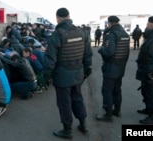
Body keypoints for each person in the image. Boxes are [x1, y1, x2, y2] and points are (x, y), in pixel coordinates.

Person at [43, 8, 92, 139]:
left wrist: (46, 77)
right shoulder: (81, 32)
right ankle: (83, 124)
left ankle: (67, 130)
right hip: (77, 73)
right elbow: (88, 55)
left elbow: (50, 60)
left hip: (62, 76)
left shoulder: (57, 35)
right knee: (77, 99)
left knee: (64, 103)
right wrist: (86, 71)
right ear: (69, 16)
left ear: (57, 18)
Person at [97, 16, 130, 122]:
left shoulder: (111, 35)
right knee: (117, 89)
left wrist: (101, 50)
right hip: (121, 65)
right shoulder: (125, 34)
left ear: (110, 23)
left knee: (107, 90)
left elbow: (109, 51)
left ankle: (108, 114)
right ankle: (117, 110)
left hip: (111, 66)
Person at [136, 16, 153, 124]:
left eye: (148, 24)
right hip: (146, 68)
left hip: (150, 70)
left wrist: (151, 72)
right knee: (145, 90)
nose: (147, 25)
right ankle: (148, 109)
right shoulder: (151, 36)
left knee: (151, 92)